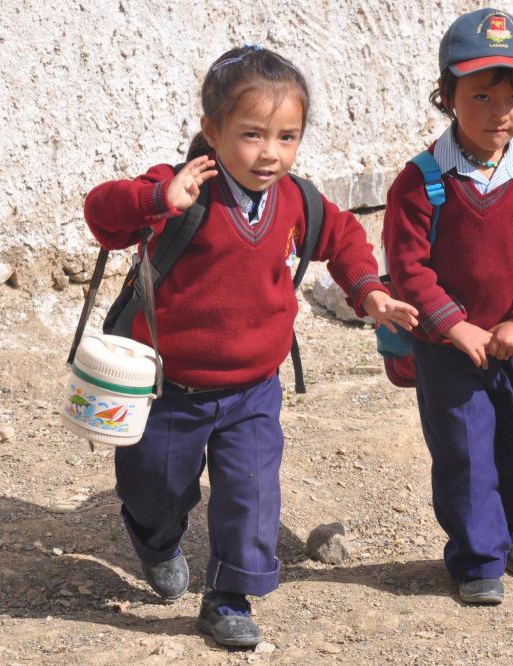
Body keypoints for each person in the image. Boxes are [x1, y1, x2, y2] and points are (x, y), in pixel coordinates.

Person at [83, 45, 418, 647]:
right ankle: (154, 534)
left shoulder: (294, 200)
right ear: (212, 131)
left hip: (254, 389)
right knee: (154, 487)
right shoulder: (181, 190)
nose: (272, 153)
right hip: (170, 389)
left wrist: (369, 291)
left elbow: (341, 237)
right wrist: (157, 201)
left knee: (252, 495)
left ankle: (229, 597)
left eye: (288, 137)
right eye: (253, 134)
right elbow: (102, 215)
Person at [382, 8, 513, 605]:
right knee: (465, 453)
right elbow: (408, 267)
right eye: (482, 96)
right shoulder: (420, 183)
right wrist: (452, 325)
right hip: (448, 350)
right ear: (447, 94)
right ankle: (477, 556)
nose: (501, 112)